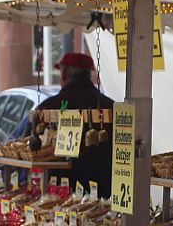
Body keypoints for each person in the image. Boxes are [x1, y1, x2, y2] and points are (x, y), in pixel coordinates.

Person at [28, 52, 116, 197]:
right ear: (89, 75)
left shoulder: (47, 107)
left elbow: (34, 146)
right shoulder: (110, 106)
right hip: (103, 189)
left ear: (64, 75)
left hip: (60, 193)